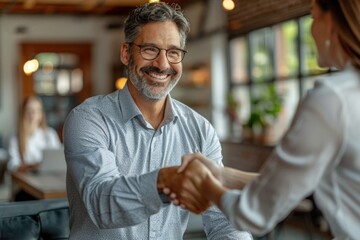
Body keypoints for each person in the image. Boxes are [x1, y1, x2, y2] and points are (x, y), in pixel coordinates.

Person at [167, 0, 360, 239]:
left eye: (313, 17)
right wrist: (221, 174)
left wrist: (205, 182)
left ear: (330, 21)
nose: (311, 30)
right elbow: (294, 186)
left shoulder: (333, 99)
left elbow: (253, 215)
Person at [62, 2, 251, 239]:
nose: (162, 64)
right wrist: (164, 182)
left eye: (173, 52)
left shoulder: (201, 130)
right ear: (125, 53)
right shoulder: (88, 119)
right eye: (150, 49)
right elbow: (103, 204)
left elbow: (224, 221)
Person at [7, 96, 62, 200]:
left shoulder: (50, 134)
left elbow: (58, 160)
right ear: (22, 112)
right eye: (29, 110)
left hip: (49, 184)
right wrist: (33, 166)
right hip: (25, 189)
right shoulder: (14, 137)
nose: (32, 114)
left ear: (41, 114)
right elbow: (12, 166)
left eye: (36, 110)